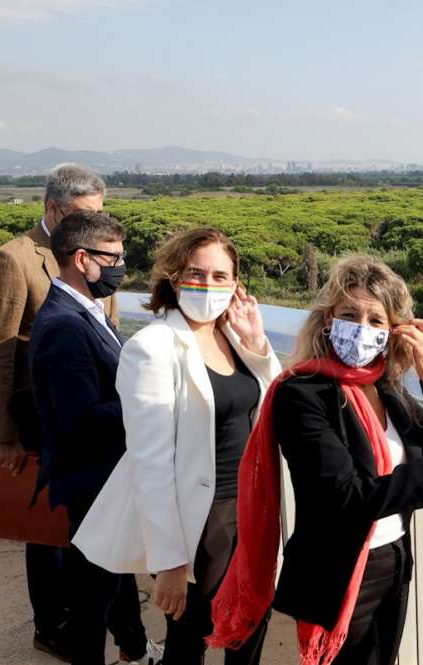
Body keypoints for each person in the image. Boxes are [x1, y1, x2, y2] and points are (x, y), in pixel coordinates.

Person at [209, 254, 423, 665]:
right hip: (341, 570)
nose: (361, 329)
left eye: (376, 321)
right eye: (350, 314)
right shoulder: (302, 394)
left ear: (394, 331)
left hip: (393, 558)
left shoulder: (387, 390)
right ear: (329, 319)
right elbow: (344, 497)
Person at [73, 227, 283, 665]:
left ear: (236, 284)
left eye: (221, 276)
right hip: (202, 523)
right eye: (196, 273)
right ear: (173, 278)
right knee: (193, 638)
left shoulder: (234, 337)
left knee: (251, 624)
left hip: (253, 507)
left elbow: (271, 401)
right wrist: (170, 563)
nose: (209, 285)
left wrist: (258, 342)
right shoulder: (152, 348)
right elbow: (150, 465)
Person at [0, 163, 116, 661]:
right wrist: (4, 436)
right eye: (86, 214)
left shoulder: (97, 254)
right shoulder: (13, 260)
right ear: (54, 209)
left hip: (90, 420)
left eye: (102, 213)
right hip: (39, 420)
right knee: (48, 529)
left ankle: (86, 613)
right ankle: (51, 625)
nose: (97, 223)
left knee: (84, 523)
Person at [28, 211, 163, 665]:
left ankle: (135, 648)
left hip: (103, 476)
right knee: (92, 593)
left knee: (113, 575)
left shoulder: (84, 311)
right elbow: (80, 418)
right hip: (92, 480)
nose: (122, 266)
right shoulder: (65, 327)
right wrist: (152, 405)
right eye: (115, 257)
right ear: (82, 259)